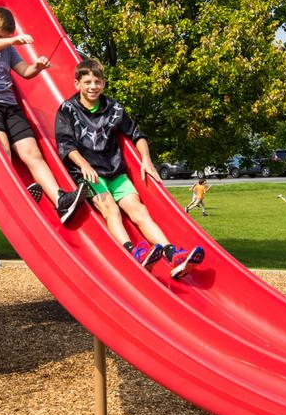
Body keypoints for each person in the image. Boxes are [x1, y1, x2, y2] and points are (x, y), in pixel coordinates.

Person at [55, 57, 202, 279]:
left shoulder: (114, 108)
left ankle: (172, 254)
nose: (93, 86)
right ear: (77, 84)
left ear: (104, 83)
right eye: (87, 82)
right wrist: (83, 164)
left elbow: (137, 134)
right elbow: (65, 145)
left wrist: (146, 159)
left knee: (138, 209)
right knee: (110, 209)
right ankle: (132, 252)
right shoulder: (68, 109)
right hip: (88, 174)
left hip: (114, 171)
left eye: (97, 82)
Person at [0, 7, 85, 223]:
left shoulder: (8, 50)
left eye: (5, 37)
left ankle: (60, 200)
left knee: (32, 153)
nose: (1, 41)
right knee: (2, 149)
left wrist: (37, 67)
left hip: (10, 106)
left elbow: (24, 72)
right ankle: (13, 196)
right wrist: (10, 41)